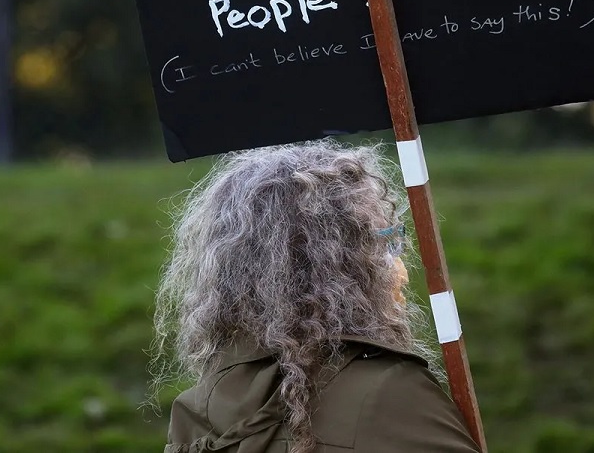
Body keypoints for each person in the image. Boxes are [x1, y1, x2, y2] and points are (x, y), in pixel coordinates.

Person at [151, 142, 480, 452]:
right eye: (382, 246)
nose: (402, 272)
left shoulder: (197, 410)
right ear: (334, 268)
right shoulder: (390, 395)